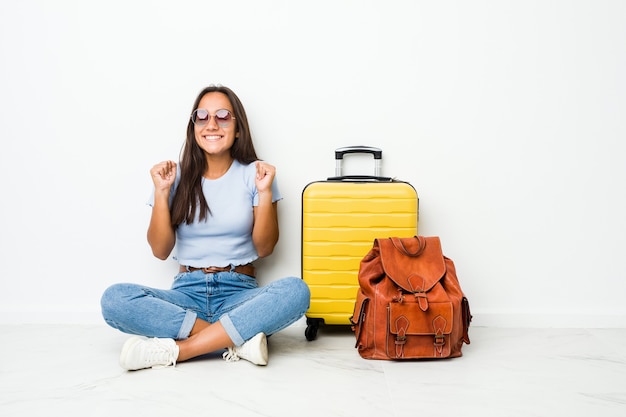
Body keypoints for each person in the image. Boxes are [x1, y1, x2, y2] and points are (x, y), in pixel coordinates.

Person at [101, 85, 310, 371]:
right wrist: (162, 192)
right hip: (187, 294)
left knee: (296, 291)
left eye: (223, 116)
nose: (212, 124)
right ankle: (235, 340)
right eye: (202, 116)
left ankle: (181, 350)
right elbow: (160, 251)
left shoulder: (256, 174)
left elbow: (265, 248)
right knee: (114, 299)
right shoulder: (173, 177)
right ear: (194, 127)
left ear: (238, 129)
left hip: (239, 293)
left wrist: (263, 193)